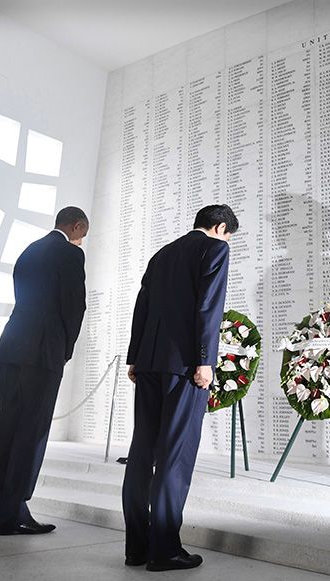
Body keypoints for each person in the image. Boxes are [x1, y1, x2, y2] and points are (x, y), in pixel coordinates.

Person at [123, 204, 237, 571]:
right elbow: (208, 307)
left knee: (142, 454)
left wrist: (135, 357)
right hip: (184, 367)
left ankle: (137, 547)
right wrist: (205, 360)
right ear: (220, 227)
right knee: (175, 455)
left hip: (149, 363)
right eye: (228, 235)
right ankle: (165, 550)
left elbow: (142, 307)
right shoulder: (215, 249)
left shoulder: (162, 254)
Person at [0, 206, 88, 534]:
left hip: (11, 348)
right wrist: (65, 350)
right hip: (43, 352)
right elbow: (74, 306)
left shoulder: (29, 250)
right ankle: (13, 515)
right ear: (76, 226)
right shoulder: (70, 253)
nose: (82, 241)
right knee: (31, 432)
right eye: (83, 234)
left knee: (6, 429)